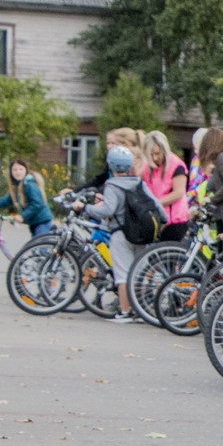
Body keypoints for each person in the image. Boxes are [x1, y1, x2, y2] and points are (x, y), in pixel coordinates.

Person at [76, 145, 163, 322]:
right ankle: (140, 311)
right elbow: (160, 210)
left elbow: (107, 211)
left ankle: (125, 311)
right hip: (142, 234)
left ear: (111, 165)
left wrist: (85, 207)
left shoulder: (112, 185)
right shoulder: (139, 182)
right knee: (138, 273)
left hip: (121, 233)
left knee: (122, 274)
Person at [140, 132, 191, 241]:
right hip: (155, 218)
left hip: (174, 219)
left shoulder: (176, 165)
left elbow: (178, 192)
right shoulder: (147, 166)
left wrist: (155, 203)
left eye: (157, 153)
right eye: (151, 154)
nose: (155, 158)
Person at [0, 159, 52, 237]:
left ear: (26, 170)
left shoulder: (29, 185)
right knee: (35, 247)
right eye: (15, 170)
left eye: (21, 169)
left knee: (41, 247)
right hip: (34, 222)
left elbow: (37, 204)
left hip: (42, 221)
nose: (18, 172)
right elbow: (8, 200)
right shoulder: (17, 186)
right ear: (11, 172)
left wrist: (23, 216)